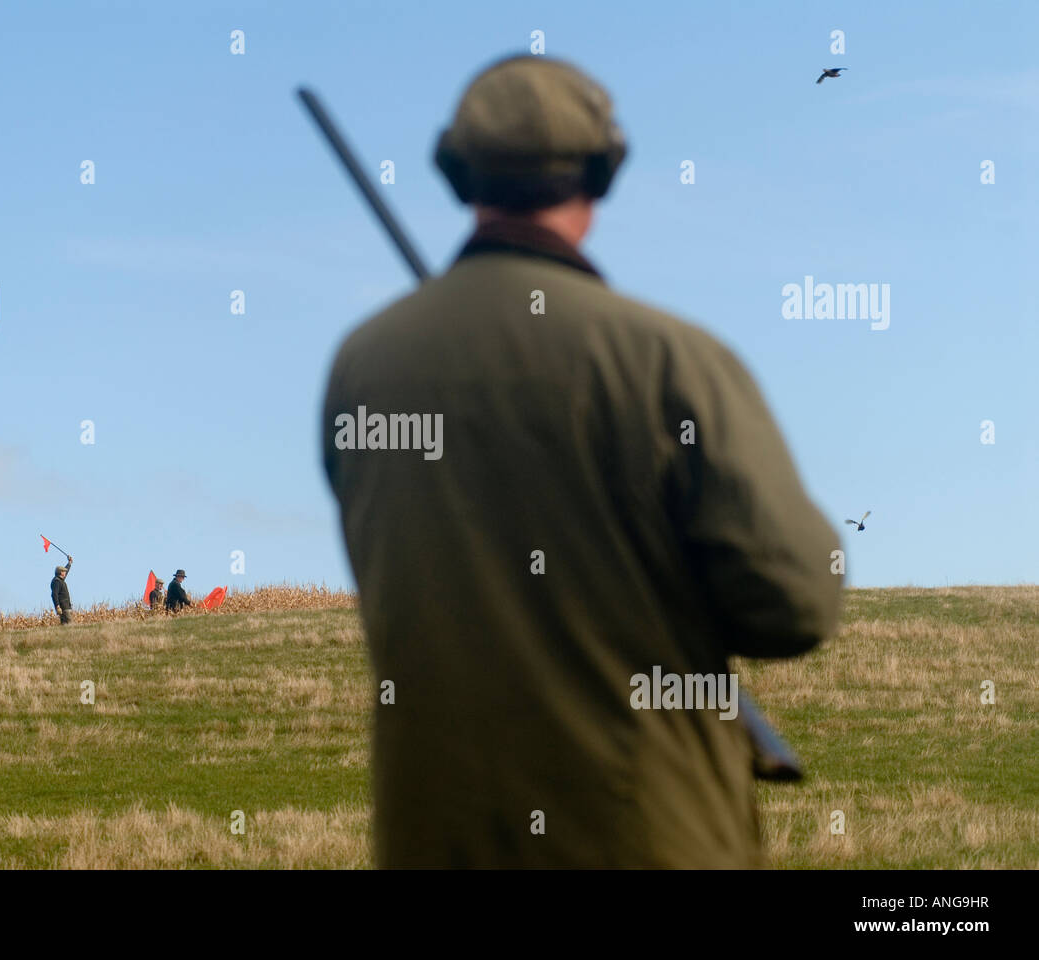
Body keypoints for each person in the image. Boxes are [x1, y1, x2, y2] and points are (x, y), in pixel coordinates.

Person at [321, 55, 842, 868]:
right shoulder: (672, 360)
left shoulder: (364, 366)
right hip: (647, 838)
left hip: (437, 839)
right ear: (602, 174)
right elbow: (796, 604)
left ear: (458, 173)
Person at [50, 556, 73, 624]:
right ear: (60, 573)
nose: (65, 572)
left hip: (66, 606)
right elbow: (54, 594)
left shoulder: (60, 580)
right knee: (69, 624)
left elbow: (67, 570)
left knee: (65, 626)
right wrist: (57, 606)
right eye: (64, 571)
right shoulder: (57, 581)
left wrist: (69, 563)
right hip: (64, 607)